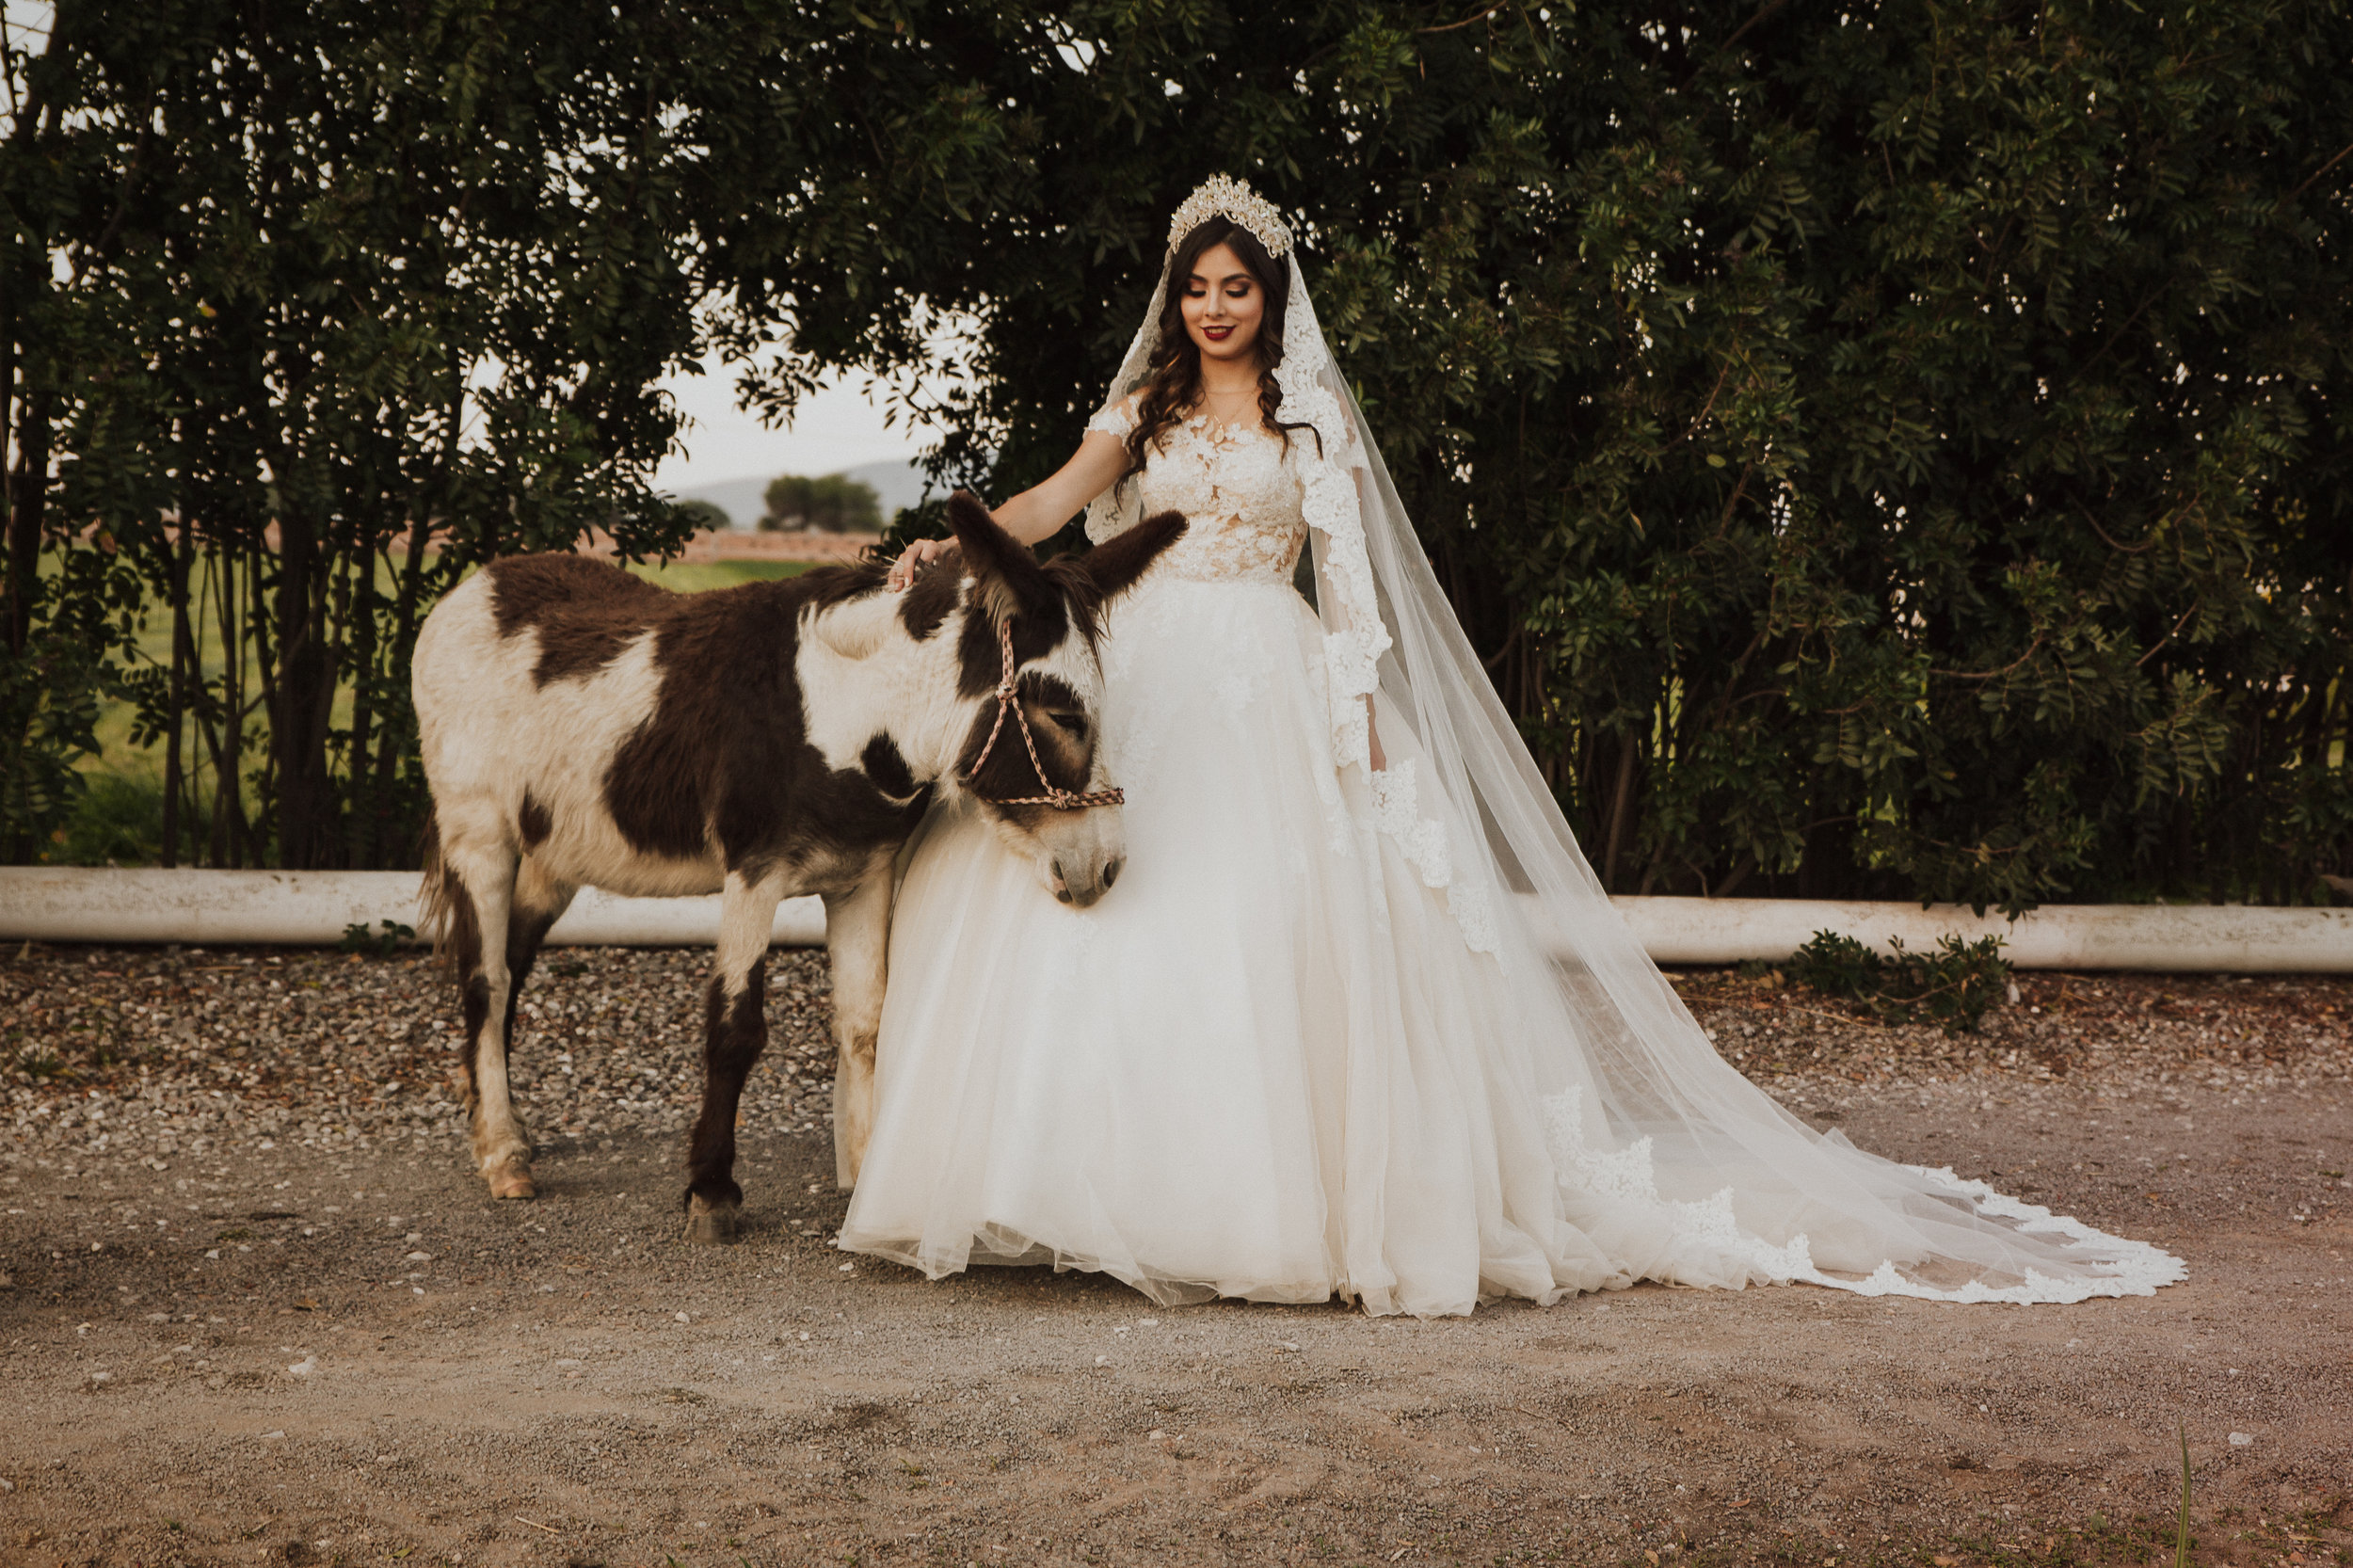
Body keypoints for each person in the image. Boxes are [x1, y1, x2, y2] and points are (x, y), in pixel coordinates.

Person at [843, 174, 2183, 1316]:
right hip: (1141, 672)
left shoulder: (1311, 423)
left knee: (1256, 927)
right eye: (1195, 285)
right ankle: (1065, 1183)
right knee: (1090, 913)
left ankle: (1242, 1207)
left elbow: (1352, 587)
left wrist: (1354, 725)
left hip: (1263, 669)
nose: (1212, 307)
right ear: (1174, 295)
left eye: (1235, 287)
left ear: (1270, 297)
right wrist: (959, 541)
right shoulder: (1141, 412)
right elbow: (1055, 501)